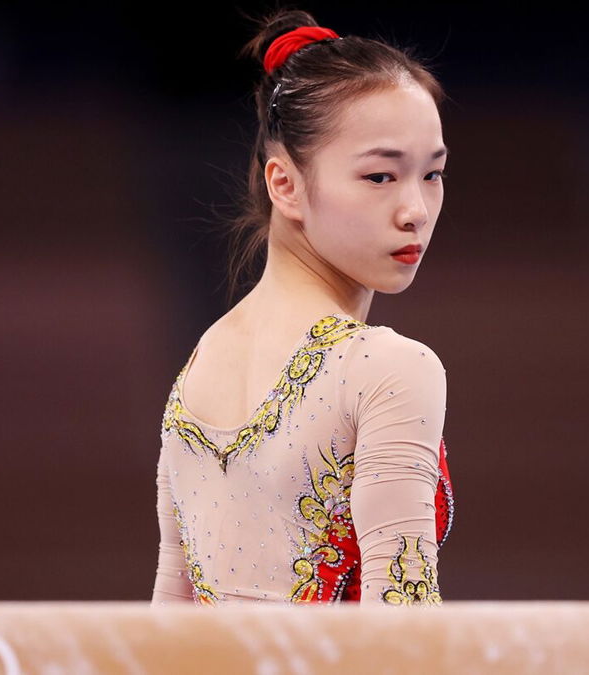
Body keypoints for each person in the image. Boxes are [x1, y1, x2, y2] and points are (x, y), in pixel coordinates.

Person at [151, 8, 454, 606]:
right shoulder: (387, 369)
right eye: (380, 177)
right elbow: (406, 628)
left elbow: (166, 623)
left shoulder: (198, 367)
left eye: (433, 174)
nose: (416, 209)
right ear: (285, 184)